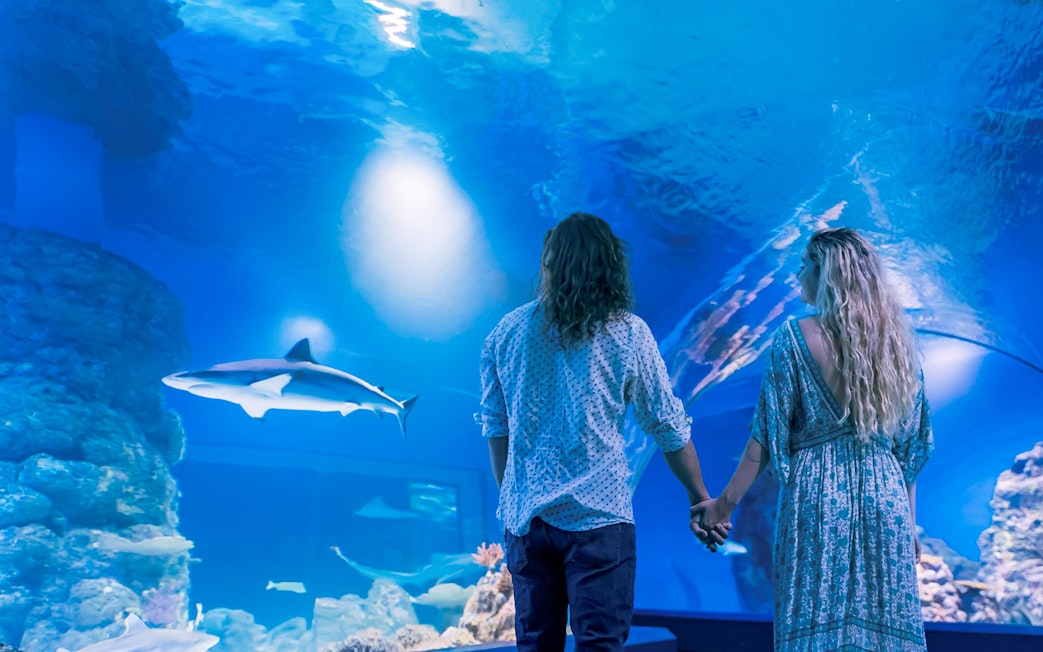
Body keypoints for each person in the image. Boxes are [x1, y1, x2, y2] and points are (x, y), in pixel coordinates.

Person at [477, 212, 725, 652]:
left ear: (548, 264)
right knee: (600, 646)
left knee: (535, 647)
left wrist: (513, 497)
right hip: (600, 518)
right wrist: (699, 496)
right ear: (607, 266)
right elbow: (667, 424)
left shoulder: (505, 334)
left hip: (528, 523)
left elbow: (496, 429)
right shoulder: (628, 333)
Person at [691, 227, 934, 651]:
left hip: (818, 497)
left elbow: (764, 437)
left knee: (815, 631)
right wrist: (908, 524)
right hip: (886, 499)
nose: (797, 274)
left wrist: (723, 504)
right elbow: (909, 452)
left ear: (826, 273)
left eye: (804, 264)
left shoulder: (794, 337)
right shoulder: (899, 346)